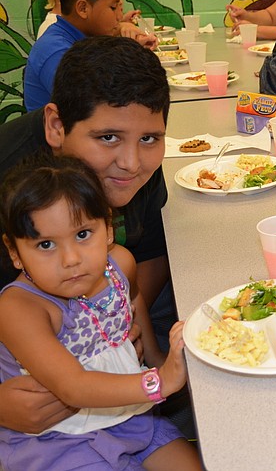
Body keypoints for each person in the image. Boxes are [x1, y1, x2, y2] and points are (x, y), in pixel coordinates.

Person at [0, 36, 176, 436]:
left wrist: (116, 320)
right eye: (107, 137)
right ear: (56, 126)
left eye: (150, 138)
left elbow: (150, 251)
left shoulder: (134, 162)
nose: (131, 163)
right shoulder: (10, 185)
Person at [0, 154, 200, 470]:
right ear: (14, 252)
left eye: (82, 234)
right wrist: (159, 381)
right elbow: (73, 386)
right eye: (46, 245)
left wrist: (155, 356)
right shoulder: (19, 309)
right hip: (58, 439)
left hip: (130, 415)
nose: (70, 259)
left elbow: (133, 301)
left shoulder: (119, 263)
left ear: (107, 228)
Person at [24, 0, 156, 112]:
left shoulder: (86, 39)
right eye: (113, 7)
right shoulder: (56, 51)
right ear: (83, 9)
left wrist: (133, 51)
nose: (119, 17)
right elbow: (95, 108)